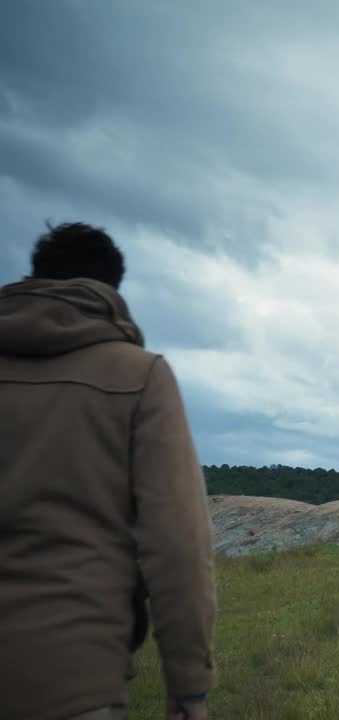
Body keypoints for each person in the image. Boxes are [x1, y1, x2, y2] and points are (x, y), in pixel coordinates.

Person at [0, 223, 217, 720]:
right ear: (112, 290)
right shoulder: (138, 374)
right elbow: (177, 542)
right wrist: (189, 684)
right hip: (74, 677)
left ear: (34, 278)